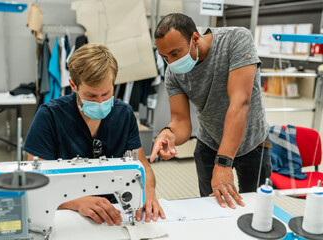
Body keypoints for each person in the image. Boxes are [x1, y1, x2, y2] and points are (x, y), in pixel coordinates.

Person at [24, 44, 165, 225]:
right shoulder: (50, 116)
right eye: (91, 96)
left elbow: (142, 167)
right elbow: (36, 181)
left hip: (113, 211)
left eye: (106, 94)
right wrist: (76, 202)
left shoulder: (124, 114)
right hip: (64, 210)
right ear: (73, 86)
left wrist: (149, 193)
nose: (100, 102)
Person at [150, 13, 272, 209]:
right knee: (213, 208)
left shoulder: (236, 39)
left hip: (252, 143)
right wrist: (169, 134)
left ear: (195, 39)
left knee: (256, 208)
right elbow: (181, 122)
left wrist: (223, 163)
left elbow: (239, 103)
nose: (171, 62)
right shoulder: (173, 73)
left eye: (175, 53)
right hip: (209, 143)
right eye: (165, 57)